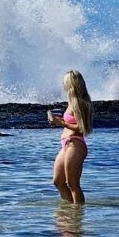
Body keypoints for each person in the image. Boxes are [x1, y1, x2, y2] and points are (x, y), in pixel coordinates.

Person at [48, 70, 93, 204]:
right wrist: (59, 121)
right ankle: (70, 211)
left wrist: (61, 122)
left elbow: (82, 128)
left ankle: (78, 215)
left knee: (73, 184)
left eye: (65, 82)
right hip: (66, 144)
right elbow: (71, 122)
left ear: (71, 84)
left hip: (75, 144)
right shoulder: (71, 102)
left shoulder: (79, 102)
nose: (63, 84)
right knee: (58, 181)